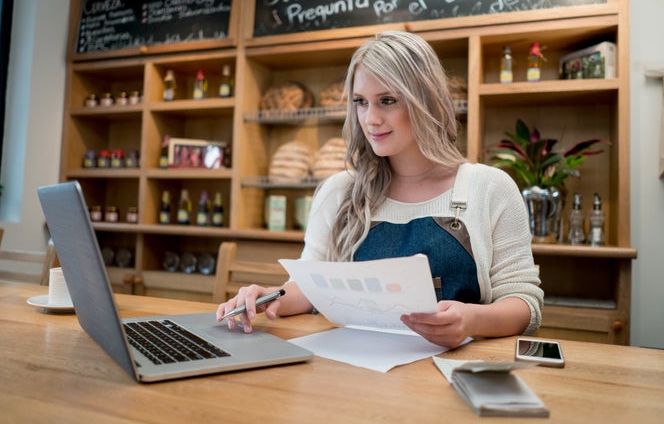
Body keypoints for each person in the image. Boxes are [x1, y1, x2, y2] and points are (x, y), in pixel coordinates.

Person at [217, 30, 543, 347]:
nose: (370, 119)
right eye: (360, 102)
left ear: (426, 101)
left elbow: (524, 302)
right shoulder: (338, 192)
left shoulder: (489, 188)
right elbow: (309, 287)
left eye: (387, 100)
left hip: (453, 374)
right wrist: (268, 296)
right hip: (355, 375)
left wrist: (471, 320)